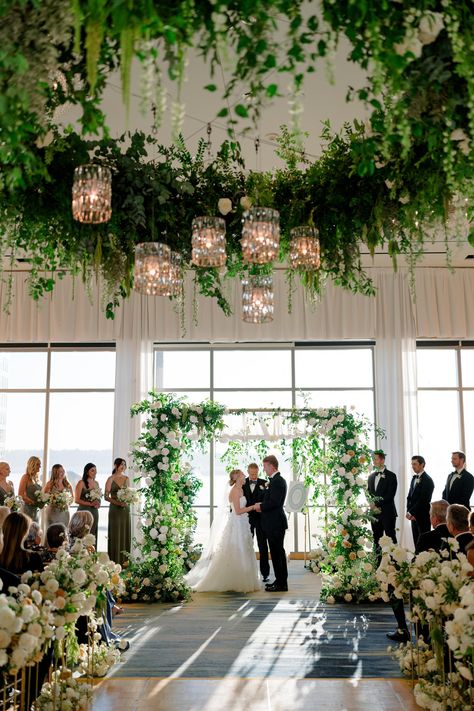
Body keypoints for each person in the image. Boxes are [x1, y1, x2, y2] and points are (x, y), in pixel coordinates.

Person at [184, 469, 261, 592]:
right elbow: (237, 511)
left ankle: (244, 578)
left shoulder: (241, 489)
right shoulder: (235, 491)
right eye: (242, 475)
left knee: (245, 549)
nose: (244, 477)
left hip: (243, 523)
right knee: (237, 549)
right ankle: (234, 581)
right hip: (236, 524)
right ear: (236, 478)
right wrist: (253, 507)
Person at [254, 455, 288, 592]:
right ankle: (279, 581)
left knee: (277, 553)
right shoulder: (274, 481)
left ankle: (281, 584)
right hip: (273, 523)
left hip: (275, 524)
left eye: (265, 466)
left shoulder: (278, 481)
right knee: (276, 553)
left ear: (272, 466)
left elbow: (274, 502)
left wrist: (260, 506)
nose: (264, 469)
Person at [242, 462, 270, 582]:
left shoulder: (264, 483)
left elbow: (268, 500)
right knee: (247, 546)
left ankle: (265, 574)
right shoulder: (242, 484)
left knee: (263, 546)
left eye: (256, 473)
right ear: (248, 472)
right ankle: (246, 573)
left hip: (261, 520)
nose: (254, 476)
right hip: (246, 520)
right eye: (252, 474)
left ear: (258, 472)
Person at [367, 449, 397, 557]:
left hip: (387, 513)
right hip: (374, 514)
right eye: (373, 459)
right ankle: (378, 563)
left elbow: (390, 495)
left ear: (382, 460)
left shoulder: (391, 476)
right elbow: (369, 493)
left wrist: (377, 504)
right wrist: (371, 504)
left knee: (390, 538)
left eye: (376, 459)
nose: (374, 461)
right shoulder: (370, 477)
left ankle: (395, 563)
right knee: (376, 539)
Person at [105, 458, 131, 565]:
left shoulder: (127, 478)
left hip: (125, 509)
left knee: (125, 532)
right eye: (121, 464)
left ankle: (125, 562)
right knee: (115, 534)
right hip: (115, 510)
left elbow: (129, 494)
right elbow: (106, 497)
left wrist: (127, 500)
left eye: (124, 464)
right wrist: (117, 503)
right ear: (116, 465)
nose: (123, 466)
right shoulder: (110, 479)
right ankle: (113, 562)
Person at [406, 455, 434, 547]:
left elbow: (423, 500)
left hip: (423, 516)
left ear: (422, 464)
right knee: (416, 541)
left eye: (415, 464)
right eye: (412, 464)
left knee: (424, 542)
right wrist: (408, 511)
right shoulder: (414, 478)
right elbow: (409, 497)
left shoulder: (428, 480)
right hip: (413, 516)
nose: (413, 466)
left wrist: (412, 512)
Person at [75, 462, 101, 543]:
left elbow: (98, 497)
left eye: (95, 470)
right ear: (87, 472)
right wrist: (90, 504)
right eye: (92, 470)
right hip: (84, 512)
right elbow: (77, 500)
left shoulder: (96, 483)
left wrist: (98, 503)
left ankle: (92, 553)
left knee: (92, 533)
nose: (95, 472)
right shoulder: (81, 483)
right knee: (82, 533)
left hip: (94, 512)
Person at [44, 463, 73, 527]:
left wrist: (65, 502)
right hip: (52, 512)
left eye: (63, 471)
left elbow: (72, 499)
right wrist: (53, 500)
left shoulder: (67, 484)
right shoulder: (50, 484)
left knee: (63, 531)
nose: (62, 473)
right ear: (55, 473)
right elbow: (44, 498)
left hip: (64, 513)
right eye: (60, 471)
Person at [19, 456, 42, 522]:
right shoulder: (25, 477)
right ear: (32, 465)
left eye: (40, 465)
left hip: (36, 510)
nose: (40, 466)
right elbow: (20, 494)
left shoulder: (37, 479)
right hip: (27, 509)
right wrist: (32, 502)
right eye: (38, 464)